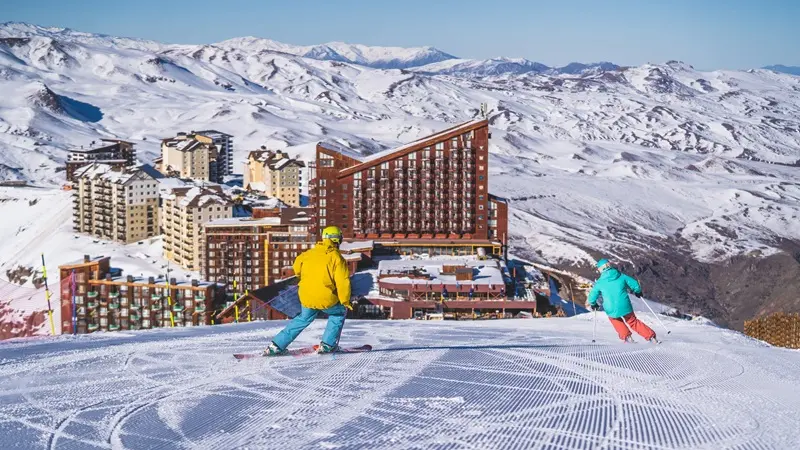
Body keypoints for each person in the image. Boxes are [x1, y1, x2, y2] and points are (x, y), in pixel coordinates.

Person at [263, 226, 352, 355]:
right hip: (326, 298)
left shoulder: (308, 254)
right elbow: (343, 282)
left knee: (303, 319)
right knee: (337, 314)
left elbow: (296, 268)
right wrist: (345, 301)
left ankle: (276, 346)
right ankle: (328, 345)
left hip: (307, 296)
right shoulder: (337, 258)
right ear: (337, 240)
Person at [588, 259, 658, 344]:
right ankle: (651, 337)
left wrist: (593, 304)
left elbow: (592, 296)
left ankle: (627, 338)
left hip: (611, 308)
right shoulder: (621, 276)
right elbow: (634, 283)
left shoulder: (600, 282)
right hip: (625, 305)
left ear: (600, 269)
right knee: (633, 321)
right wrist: (637, 291)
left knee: (615, 320)